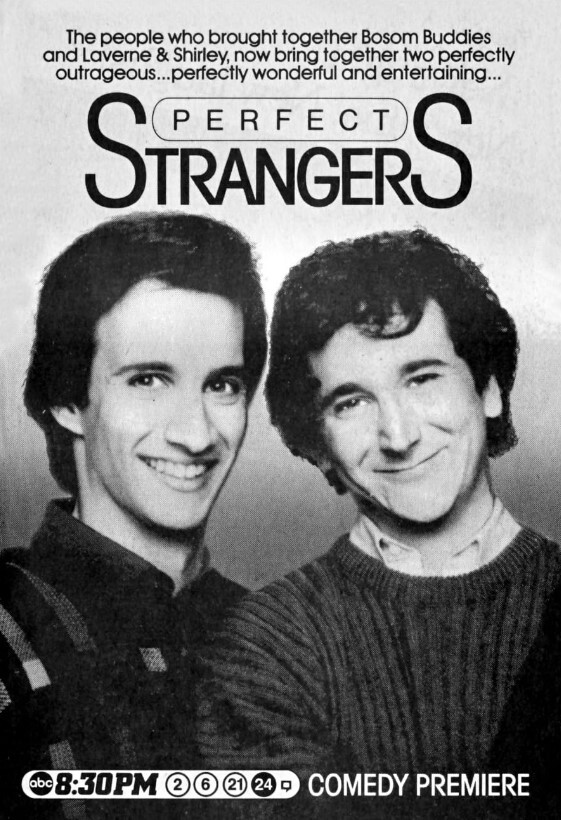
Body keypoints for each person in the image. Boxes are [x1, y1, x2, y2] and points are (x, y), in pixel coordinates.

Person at [198, 229, 561, 815]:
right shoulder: (266, 644)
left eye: (422, 378)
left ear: (490, 389)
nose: (399, 434)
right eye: (351, 402)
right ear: (318, 445)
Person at [0, 212, 267, 817]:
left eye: (222, 385)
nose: (196, 434)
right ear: (67, 399)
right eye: (148, 379)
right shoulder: (8, 633)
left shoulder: (276, 637)